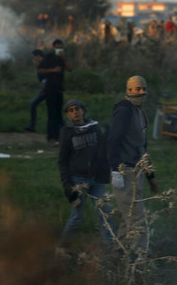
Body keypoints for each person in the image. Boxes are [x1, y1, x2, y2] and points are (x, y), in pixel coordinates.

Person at [107, 75, 159, 259]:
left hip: (137, 172)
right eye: (137, 89)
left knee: (129, 214)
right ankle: (141, 259)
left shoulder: (140, 112)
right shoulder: (124, 111)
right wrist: (115, 170)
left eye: (143, 88)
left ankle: (117, 254)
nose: (141, 92)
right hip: (125, 171)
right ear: (128, 91)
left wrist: (151, 176)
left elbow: (142, 147)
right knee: (137, 217)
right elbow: (113, 140)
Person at [57, 99, 115, 251]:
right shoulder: (67, 132)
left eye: (77, 108)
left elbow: (103, 152)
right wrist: (67, 185)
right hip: (78, 180)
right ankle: (63, 248)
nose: (75, 112)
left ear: (83, 110)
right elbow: (62, 161)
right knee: (77, 217)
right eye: (70, 110)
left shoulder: (94, 128)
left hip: (96, 179)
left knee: (106, 213)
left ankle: (113, 247)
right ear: (68, 115)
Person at [37, 39, 72, 146]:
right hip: (50, 88)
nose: (59, 49)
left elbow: (70, 69)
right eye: (57, 47)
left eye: (60, 47)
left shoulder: (62, 58)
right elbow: (40, 70)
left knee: (58, 113)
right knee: (51, 113)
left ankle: (58, 136)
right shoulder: (48, 57)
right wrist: (52, 70)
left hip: (59, 89)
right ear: (53, 47)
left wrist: (63, 58)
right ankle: (51, 136)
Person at [24, 49, 46, 132]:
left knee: (33, 103)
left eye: (34, 57)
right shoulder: (40, 65)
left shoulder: (45, 65)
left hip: (50, 89)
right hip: (46, 89)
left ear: (39, 57)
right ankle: (32, 126)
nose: (33, 60)